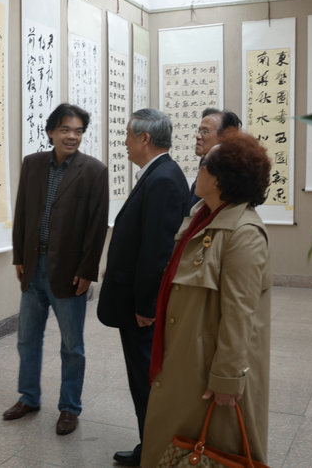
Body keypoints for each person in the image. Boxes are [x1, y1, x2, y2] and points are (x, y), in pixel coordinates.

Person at [141, 131, 272, 467]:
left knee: (210, 446)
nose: (197, 170)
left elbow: (240, 313)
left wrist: (227, 378)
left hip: (208, 368)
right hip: (185, 353)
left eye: (203, 165)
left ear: (219, 179)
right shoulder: (202, 215)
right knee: (174, 439)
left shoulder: (244, 233)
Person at [4, 103, 109, 436]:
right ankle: (29, 397)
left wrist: (87, 271)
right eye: (65, 130)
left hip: (69, 271)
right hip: (34, 266)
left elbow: (96, 227)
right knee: (27, 339)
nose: (72, 136)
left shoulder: (94, 171)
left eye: (78, 131)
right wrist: (19, 256)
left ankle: (69, 408)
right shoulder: (33, 164)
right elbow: (22, 213)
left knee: (71, 346)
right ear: (51, 132)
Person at [97, 108, 190, 466]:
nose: (124, 143)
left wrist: (146, 307)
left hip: (143, 310)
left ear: (144, 139)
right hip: (139, 302)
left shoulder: (163, 178)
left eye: (127, 136)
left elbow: (157, 251)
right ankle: (151, 446)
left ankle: (153, 451)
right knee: (144, 380)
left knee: (146, 381)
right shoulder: (159, 173)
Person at [190, 108, 242, 205]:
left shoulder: (229, 176)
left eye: (205, 131)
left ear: (225, 137)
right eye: (199, 131)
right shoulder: (206, 165)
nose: (198, 136)